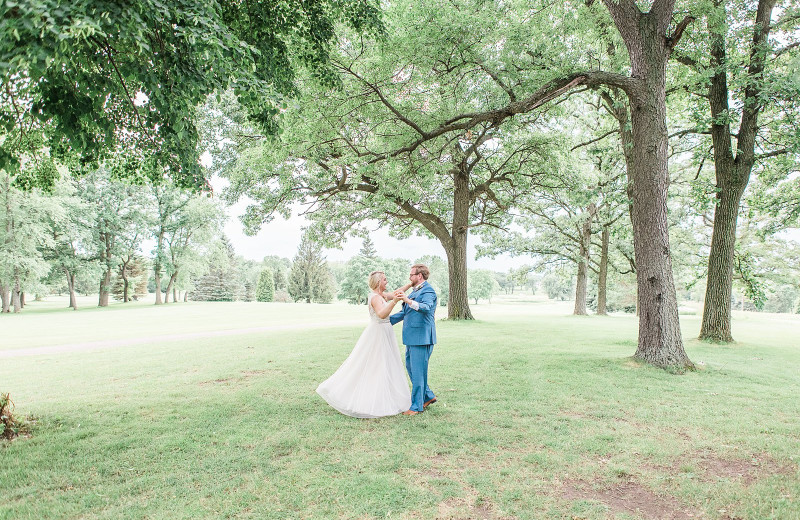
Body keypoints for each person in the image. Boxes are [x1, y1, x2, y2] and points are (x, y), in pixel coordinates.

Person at [316, 271, 412, 418]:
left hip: (385, 332)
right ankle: (370, 401)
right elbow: (381, 314)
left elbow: (397, 292)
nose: (387, 282)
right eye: (385, 280)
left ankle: (385, 396)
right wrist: (394, 302)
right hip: (378, 333)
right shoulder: (375, 297)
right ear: (378, 282)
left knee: (386, 364)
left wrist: (410, 284)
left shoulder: (382, 295)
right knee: (377, 365)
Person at [391, 264, 437, 416]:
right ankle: (428, 396)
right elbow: (404, 312)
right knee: (411, 368)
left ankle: (416, 406)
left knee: (418, 372)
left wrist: (408, 300)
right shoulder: (413, 292)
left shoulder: (428, 291)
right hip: (411, 337)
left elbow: (426, 307)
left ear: (419, 276)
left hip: (422, 338)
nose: (409, 278)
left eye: (411, 275)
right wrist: (383, 321)